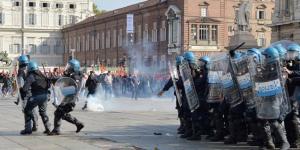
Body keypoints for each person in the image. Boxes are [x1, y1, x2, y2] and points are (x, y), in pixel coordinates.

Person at [49, 59, 84, 135]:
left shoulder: (76, 77)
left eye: (69, 66)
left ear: (74, 67)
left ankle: (56, 130)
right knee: (62, 113)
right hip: (67, 97)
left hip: (71, 98)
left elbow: (73, 87)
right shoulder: (72, 74)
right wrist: (53, 79)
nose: (68, 67)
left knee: (58, 112)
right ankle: (78, 124)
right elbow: (63, 80)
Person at [20, 61, 51, 135]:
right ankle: (48, 128)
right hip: (45, 95)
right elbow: (48, 85)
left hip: (37, 96)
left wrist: (21, 90)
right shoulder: (42, 75)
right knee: (43, 112)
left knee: (27, 110)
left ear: (30, 68)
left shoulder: (31, 76)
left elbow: (25, 89)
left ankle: (28, 129)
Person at [15, 55, 39, 133]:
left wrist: (20, 96)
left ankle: (27, 128)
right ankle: (35, 124)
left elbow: (20, 84)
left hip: (25, 92)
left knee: (26, 110)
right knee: (33, 109)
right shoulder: (30, 68)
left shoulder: (21, 71)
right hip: (33, 92)